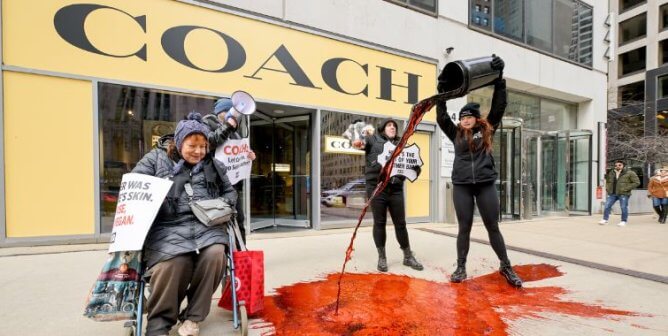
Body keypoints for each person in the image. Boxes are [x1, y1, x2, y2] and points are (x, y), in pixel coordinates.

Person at [132, 112, 238, 336]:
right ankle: (159, 324)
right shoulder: (155, 159)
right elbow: (135, 186)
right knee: (174, 263)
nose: (199, 152)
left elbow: (230, 192)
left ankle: (193, 317)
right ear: (180, 143)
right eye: (193, 146)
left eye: (203, 146)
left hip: (207, 225)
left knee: (215, 253)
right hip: (167, 226)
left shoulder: (214, 164)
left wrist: (223, 203)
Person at [435, 55, 523, 287]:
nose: (464, 120)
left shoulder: (486, 130)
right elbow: (441, 116)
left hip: (485, 184)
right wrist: (441, 93)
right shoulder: (455, 134)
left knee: (492, 226)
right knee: (464, 227)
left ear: (475, 119)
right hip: (462, 185)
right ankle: (461, 267)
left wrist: (499, 80)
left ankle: (506, 266)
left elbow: (499, 106)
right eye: (462, 117)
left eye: (469, 117)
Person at [352, 119, 424, 272]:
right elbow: (359, 143)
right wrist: (357, 141)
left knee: (401, 223)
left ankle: (408, 256)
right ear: (383, 128)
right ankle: (382, 257)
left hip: (396, 188)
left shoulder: (402, 144)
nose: (392, 127)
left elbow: (413, 164)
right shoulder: (373, 140)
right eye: (389, 125)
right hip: (377, 188)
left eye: (394, 126)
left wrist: (413, 171)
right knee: (380, 222)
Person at [202, 98, 257, 244]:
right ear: (219, 112)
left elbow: (238, 151)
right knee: (219, 221)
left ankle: (240, 255)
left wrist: (248, 155)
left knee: (239, 221)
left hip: (233, 185)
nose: (231, 115)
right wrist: (227, 126)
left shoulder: (235, 131)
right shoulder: (207, 123)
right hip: (216, 183)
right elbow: (211, 142)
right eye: (227, 111)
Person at [599, 160, 640, 226]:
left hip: (623, 193)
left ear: (623, 165)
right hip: (612, 193)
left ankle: (623, 221)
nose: (617, 166)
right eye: (616, 165)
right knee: (607, 206)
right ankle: (605, 219)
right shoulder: (612, 172)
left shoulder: (630, 173)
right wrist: (608, 189)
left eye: (619, 165)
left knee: (623, 207)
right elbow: (608, 181)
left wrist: (626, 188)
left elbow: (637, 182)